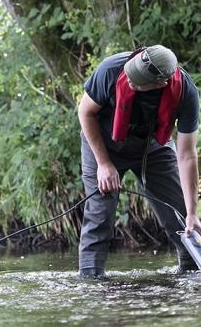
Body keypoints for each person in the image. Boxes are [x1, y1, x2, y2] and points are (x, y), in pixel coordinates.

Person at [77, 45, 200, 278]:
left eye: (137, 82)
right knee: (99, 217)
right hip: (104, 143)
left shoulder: (185, 93)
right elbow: (85, 112)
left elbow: (187, 155)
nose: (130, 82)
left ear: (159, 83)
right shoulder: (111, 71)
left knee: (181, 215)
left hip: (154, 146)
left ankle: (191, 274)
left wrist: (193, 212)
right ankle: (91, 282)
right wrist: (103, 164)